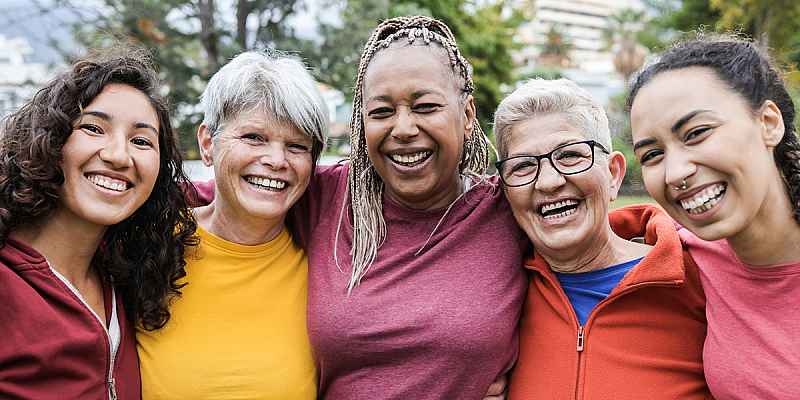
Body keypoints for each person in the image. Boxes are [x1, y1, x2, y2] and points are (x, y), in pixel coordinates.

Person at [193, 15, 526, 400]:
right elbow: (222, 195)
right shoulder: (326, 198)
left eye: (426, 106)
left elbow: (586, 246)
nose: (402, 128)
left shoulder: (508, 210)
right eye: (382, 112)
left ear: (467, 115)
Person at [493, 79, 711, 399]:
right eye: (523, 166)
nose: (550, 181)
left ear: (613, 174)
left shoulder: (702, 278)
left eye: (569, 155)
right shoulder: (495, 300)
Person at [0, 47, 196, 399]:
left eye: (141, 141)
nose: (119, 156)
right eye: (93, 128)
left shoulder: (125, 277)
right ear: (50, 139)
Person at [136, 51, 327, 399]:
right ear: (208, 143)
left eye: (296, 146)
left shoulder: (325, 270)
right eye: (254, 137)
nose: (275, 160)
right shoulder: (148, 245)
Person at [628, 36, 800, 399]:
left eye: (697, 133)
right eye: (652, 155)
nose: (675, 172)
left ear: (769, 123)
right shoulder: (686, 255)